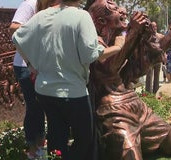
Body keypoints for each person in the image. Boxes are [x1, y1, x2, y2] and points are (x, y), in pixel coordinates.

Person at [12, 0, 124, 159]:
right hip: (73, 92)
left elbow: (17, 38)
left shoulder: (41, 16)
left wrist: (31, 65)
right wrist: (117, 47)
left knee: (56, 137)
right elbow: (90, 55)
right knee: (84, 139)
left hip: (45, 91)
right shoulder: (81, 16)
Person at [86, 0, 171, 159]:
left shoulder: (123, 38)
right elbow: (109, 66)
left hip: (136, 106)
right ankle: (123, 143)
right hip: (112, 112)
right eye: (115, 9)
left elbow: (156, 50)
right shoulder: (95, 42)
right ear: (102, 21)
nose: (122, 10)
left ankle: (136, 141)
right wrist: (134, 31)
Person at [9, 0, 45, 158]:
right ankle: (32, 148)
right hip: (25, 65)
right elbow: (14, 28)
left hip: (42, 65)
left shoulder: (51, 6)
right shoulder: (30, 4)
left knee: (42, 104)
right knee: (34, 106)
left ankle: (40, 143)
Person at [145, 21, 164, 92]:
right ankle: (148, 93)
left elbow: (163, 47)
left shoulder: (160, 36)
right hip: (149, 59)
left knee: (157, 76)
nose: (154, 28)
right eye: (152, 26)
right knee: (149, 76)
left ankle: (156, 91)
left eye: (155, 26)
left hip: (158, 59)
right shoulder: (147, 36)